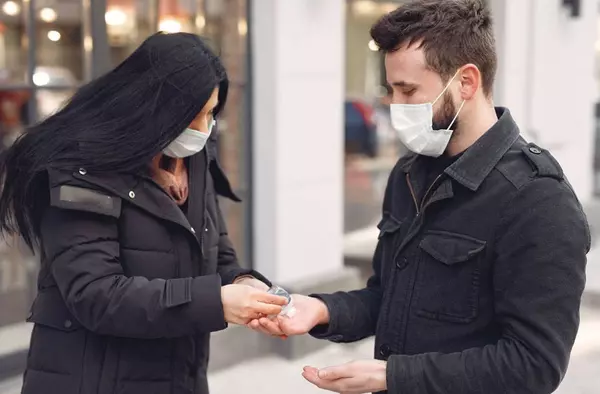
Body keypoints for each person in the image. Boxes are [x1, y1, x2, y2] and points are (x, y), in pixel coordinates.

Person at [250, 1, 590, 393]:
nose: (395, 106)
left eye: (408, 90)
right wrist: (322, 310)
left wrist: (394, 376)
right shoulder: (409, 174)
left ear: (466, 82)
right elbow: (389, 297)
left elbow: (533, 365)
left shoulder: (538, 200)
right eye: (390, 90)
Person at [0, 32, 288, 394]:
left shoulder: (192, 159)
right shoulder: (81, 169)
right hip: (90, 379)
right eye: (192, 115)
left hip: (178, 374)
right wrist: (215, 302)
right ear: (151, 107)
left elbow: (217, 256)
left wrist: (243, 285)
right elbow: (96, 295)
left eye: (211, 112)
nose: (203, 128)